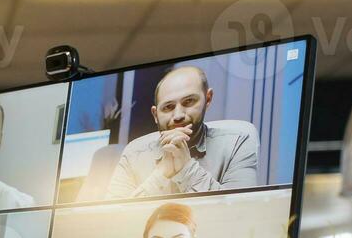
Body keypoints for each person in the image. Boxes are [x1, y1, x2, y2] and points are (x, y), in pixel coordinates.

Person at [105, 65, 259, 198]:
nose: (178, 115)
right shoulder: (134, 153)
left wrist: (187, 169)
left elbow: (239, 213)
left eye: (189, 102)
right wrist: (160, 175)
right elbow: (112, 221)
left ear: (208, 99)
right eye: (168, 107)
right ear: (155, 115)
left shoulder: (237, 143)